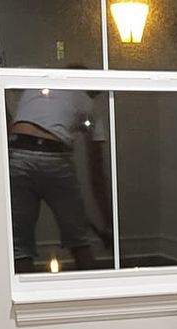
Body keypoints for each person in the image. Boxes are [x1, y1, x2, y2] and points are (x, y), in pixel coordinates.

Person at [9, 78, 109, 273]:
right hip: (54, 157)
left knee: (19, 245)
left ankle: (25, 298)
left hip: (17, 153)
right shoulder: (88, 104)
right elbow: (96, 171)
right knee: (78, 240)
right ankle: (91, 293)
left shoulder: (38, 86)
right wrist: (108, 223)